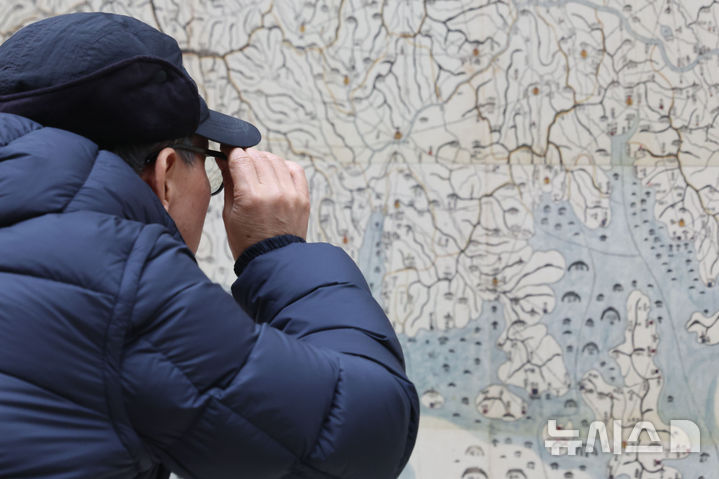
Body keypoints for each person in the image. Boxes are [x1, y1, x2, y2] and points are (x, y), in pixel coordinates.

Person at [0, 12, 419, 479]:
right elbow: (365, 433)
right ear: (164, 175)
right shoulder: (116, 281)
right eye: (206, 162)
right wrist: (279, 250)